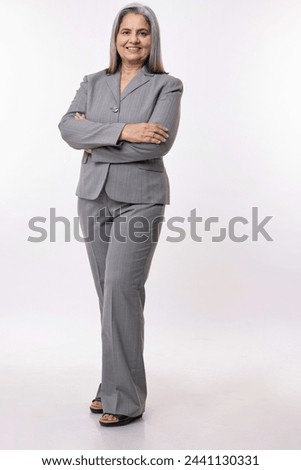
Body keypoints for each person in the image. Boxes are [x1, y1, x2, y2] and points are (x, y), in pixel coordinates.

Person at [58, 2, 183, 427]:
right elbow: (67, 129)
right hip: (93, 197)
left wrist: (95, 137)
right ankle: (111, 384)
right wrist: (125, 130)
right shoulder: (92, 82)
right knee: (107, 296)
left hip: (141, 199)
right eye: (126, 32)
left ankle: (125, 400)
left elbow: (157, 145)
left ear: (153, 40)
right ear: (115, 38)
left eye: (142, 33)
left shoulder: (167, 86)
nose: (133, 39)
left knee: (120, 291)